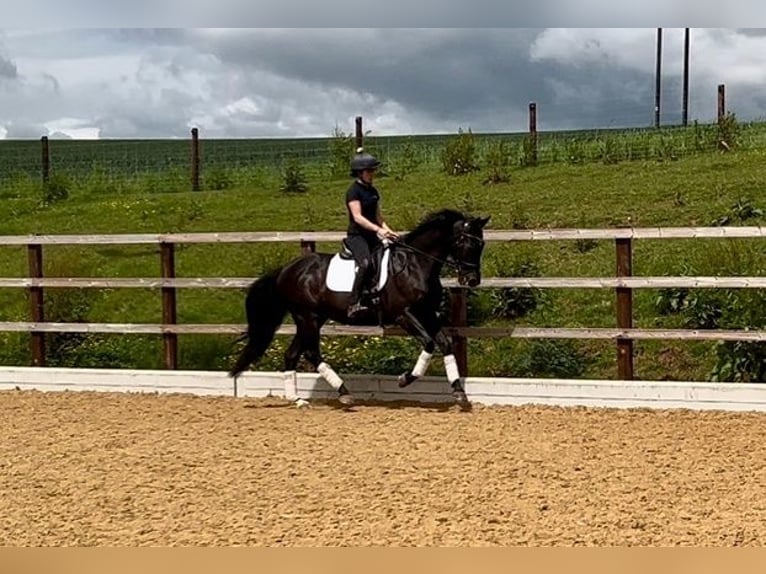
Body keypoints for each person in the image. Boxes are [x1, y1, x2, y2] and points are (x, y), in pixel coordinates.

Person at [344, 147, 399, 319]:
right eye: (369, 171)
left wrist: (390, 232)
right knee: (366, 263)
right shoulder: (353, 191)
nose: (372, 174)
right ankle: (354, 302)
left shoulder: (373, 191)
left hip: (372, 235)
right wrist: (378, 230)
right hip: (357, 237)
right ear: (360, 173)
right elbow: (358, 217)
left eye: (373, 170)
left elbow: (377, 216)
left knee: (392, 256)